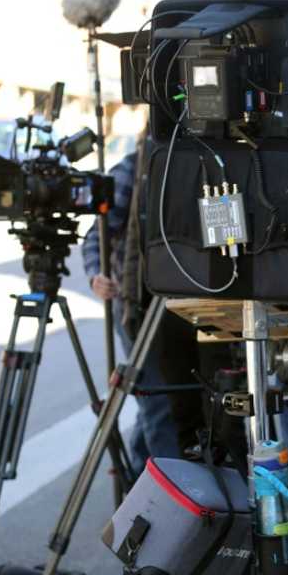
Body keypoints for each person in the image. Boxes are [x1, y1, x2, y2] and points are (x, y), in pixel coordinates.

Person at [83, 140, 197, 475]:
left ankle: (138, 476)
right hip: (135, 303)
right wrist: (96, 275)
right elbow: (96, 236)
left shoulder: (196, 160)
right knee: (156, 400)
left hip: (182, 304)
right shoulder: (133, 169)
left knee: (163, 400)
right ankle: (166, 493)